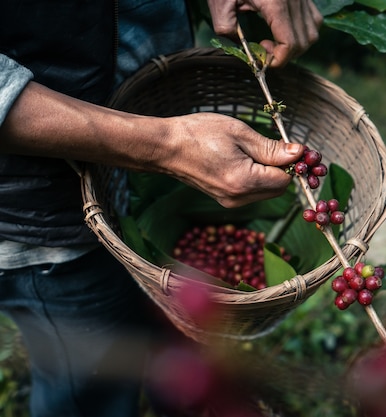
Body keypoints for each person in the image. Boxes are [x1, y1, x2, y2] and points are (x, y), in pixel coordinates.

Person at [0, 1, 322, 416]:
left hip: (151, 176)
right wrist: (166, 145)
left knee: (176, 361)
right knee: (90, 393)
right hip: (43, 221)